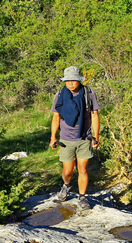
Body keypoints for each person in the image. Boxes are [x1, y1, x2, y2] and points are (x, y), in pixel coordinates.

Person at [49, 66, 100, 210]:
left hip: (84, 137)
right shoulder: (60, 95)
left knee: (82, 169)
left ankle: (82, 197)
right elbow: (56, 117)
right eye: (68, 80)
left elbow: (95, 115)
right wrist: (53, 137)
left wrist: (96, 136)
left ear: (79, 81)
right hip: (66, 139)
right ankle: (66, 185)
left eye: (74, 80)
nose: (71, 83)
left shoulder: (88, 94)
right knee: (67, 171)